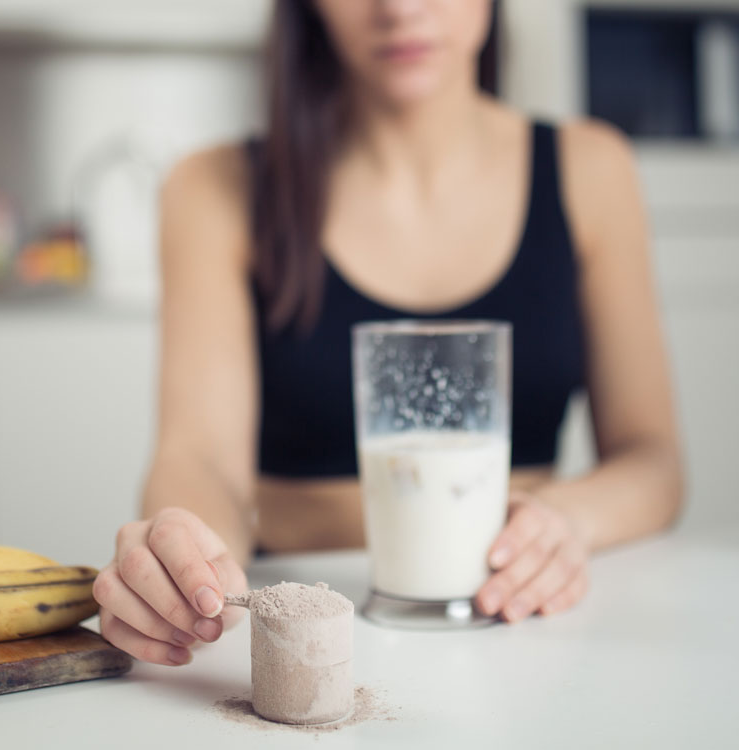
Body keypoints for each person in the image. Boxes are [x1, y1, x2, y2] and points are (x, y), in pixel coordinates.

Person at [93, 0, 684, 666]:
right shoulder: (215, 188)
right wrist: (186, 550)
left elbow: (652, 458)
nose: (400, 8)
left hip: (526, 625)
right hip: (311, 635)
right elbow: (198, 457)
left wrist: (572, 520)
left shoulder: (591, 168)